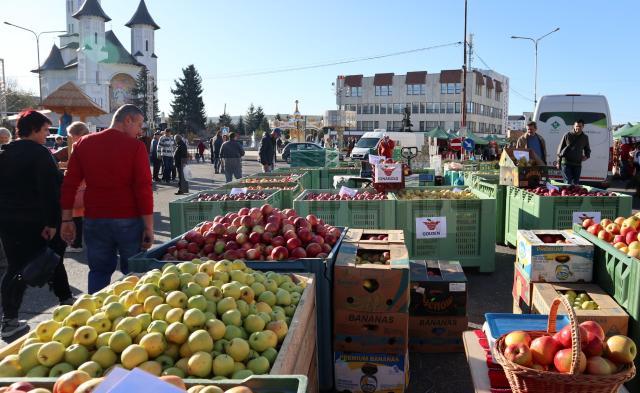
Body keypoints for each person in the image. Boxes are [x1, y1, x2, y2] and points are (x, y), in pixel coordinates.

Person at [60, 104, 154, 294]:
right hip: (128, 218)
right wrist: (149, 227)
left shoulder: (83, 143)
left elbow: (69, 185)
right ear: (128, 120)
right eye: (139, 125)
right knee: (134, 274)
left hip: (95, 218)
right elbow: (143, 189)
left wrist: (67, 219)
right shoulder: (136, 147)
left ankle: (96, 314)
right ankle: (133, 318)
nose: (139, 131)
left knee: (98, 272)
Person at [0, 110, 74, 338]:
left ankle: (10, 317)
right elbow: (49, 192)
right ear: (33, 130)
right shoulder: (40, 154)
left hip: (8, 221)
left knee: (15, 266)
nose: (46, 135)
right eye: (43, 130)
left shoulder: (4, 152)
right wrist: (53, 222)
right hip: (36, 221)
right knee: (51, 258)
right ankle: (66, 302)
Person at [64, 122, 90, 253]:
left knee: (76, 216)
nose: (71, 138)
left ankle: (76, 244)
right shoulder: (95, 143)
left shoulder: (77, 145)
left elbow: (75, 168)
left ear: (76, 134)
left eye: (71, 135)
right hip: (93, 186)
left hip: (80, 186)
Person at [557, 119, 591, 185]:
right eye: (576, 126)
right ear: (574, 126)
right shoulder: (567, 135)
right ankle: (566, 195)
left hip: (577, 164)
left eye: (580, 126)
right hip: (566, 164)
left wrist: (587, 156)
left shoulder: (585, 137)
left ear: (583, 127)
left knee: (576, 184)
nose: (578, 128)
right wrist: (558, 162)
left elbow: (587, 149)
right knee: (568, 182)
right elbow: (560, 150)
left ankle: (573, 195)